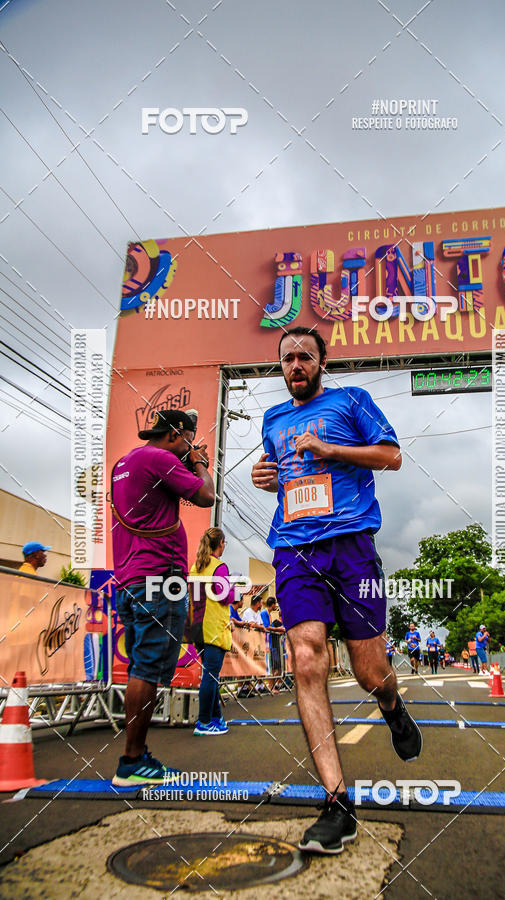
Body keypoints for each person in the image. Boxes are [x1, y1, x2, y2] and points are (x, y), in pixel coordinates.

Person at [251, 325, 420, 855]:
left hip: (352, 547)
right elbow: (284, 474)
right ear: (280, 367)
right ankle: (337, 803)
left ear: (323, 361)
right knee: (306, 660)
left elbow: (391, 456)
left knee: (370, 673)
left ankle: (392, 705)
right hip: (294, 548)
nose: (295, 365)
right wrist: (266, 475)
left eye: (305, 356)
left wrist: (331, 448)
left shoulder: (352, 400)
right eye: (287, 359)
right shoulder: (272, 419)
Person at [111, 409, 214, 786]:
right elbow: (205, 495)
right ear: (175, 434)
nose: (190, 446)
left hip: (129, 578)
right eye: (189, 438)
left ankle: (135, 756)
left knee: (142, 665)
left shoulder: (124, 463)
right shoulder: (160, 459)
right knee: (149, 668)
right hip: (158, 576)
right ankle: (133, 760)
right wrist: (200, 463)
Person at [189, 527, 235, 735]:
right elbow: (224, 596)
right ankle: (204, 722)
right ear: (220, 543)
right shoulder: (219, 567)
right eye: (224, 543)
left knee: (210, 675)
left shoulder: (195, 567)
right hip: (215, 626)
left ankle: (216, 718)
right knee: (210, 675)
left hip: (197, 627)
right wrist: (234, 590)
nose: (225, 546)